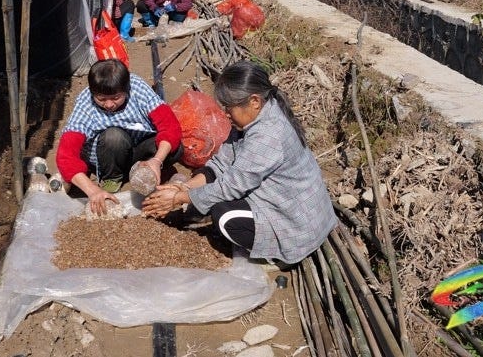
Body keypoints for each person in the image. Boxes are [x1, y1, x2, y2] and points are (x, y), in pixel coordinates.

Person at [142, 60, 338, 266]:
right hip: (280, 199)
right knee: (205, 198)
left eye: (229, 107)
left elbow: (231, 186)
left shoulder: (268, 135)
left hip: (296, 222)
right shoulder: (251, 119)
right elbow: (221, 164)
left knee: (224, 216)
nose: (225, 114)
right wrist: (184, 188)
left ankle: (278, 256)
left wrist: (180, 198)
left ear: (254, 101)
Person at [55, 59, 183, 215]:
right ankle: (112, 179)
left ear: (126, 89)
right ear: (92, 93)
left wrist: (157, 160)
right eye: (101, 99)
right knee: (114, 136)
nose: (109, 104)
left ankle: (148, 170)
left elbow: (170, 126)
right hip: (108, 155)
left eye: (116, 98)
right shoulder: (85, 104)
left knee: (176, 148)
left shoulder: (137, 88)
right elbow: (66, 155)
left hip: (136, 147)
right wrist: (93, 190)